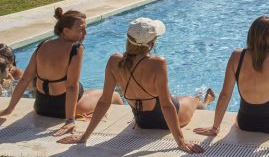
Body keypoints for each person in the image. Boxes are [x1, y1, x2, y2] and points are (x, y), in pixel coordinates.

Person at [57, 18, 212, 154]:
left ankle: (198, 100)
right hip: (163, 121)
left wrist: (84, 137)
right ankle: (203, 102)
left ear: (128, 39)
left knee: (173, 97)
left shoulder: (113, 61)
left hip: (141, 121)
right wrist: (181, 142)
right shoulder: (158, 63)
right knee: (191, 99)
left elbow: (104, 101)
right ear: (151, 43)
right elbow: (166, 106)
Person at [193, 16, 269, 148]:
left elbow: (224, 95)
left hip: (244, 123)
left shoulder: (236, 56)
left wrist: (215, 127)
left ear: (251, 33)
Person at [0, 8, 122, 136]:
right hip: (63, 110)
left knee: (90, 93)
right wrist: (70, 120)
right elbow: (71, 86)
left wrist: (9, 108)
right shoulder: (76, 48)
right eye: (81, 29)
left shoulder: (42, 45)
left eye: (86, 28)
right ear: (66, 31)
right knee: (114, 95)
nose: (85, 33)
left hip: (40, 107)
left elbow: (25, 79)